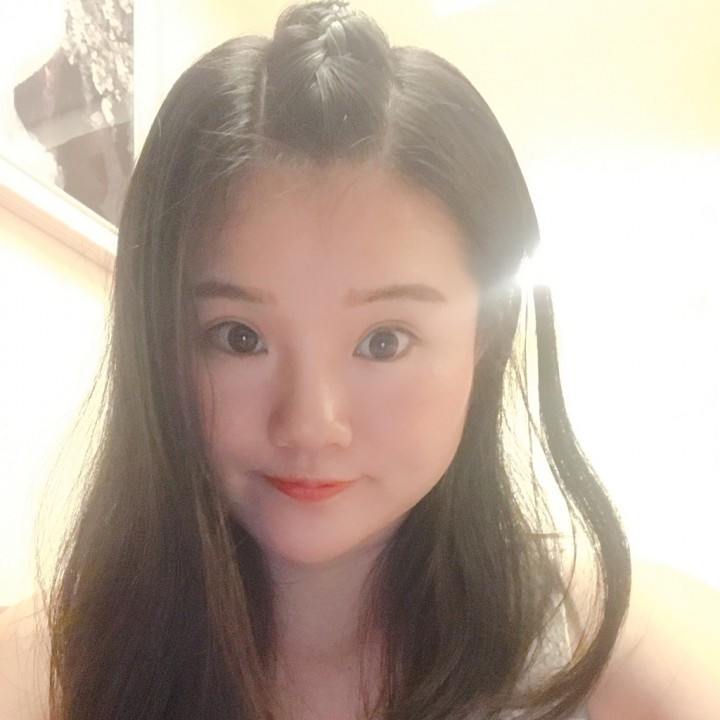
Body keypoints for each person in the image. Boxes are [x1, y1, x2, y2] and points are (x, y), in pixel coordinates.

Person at [0, 2, 718, 719]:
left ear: (485, 336)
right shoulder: (49, 668)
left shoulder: (619, 652)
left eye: (384, 341)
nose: (311, 425)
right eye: (239, 337)